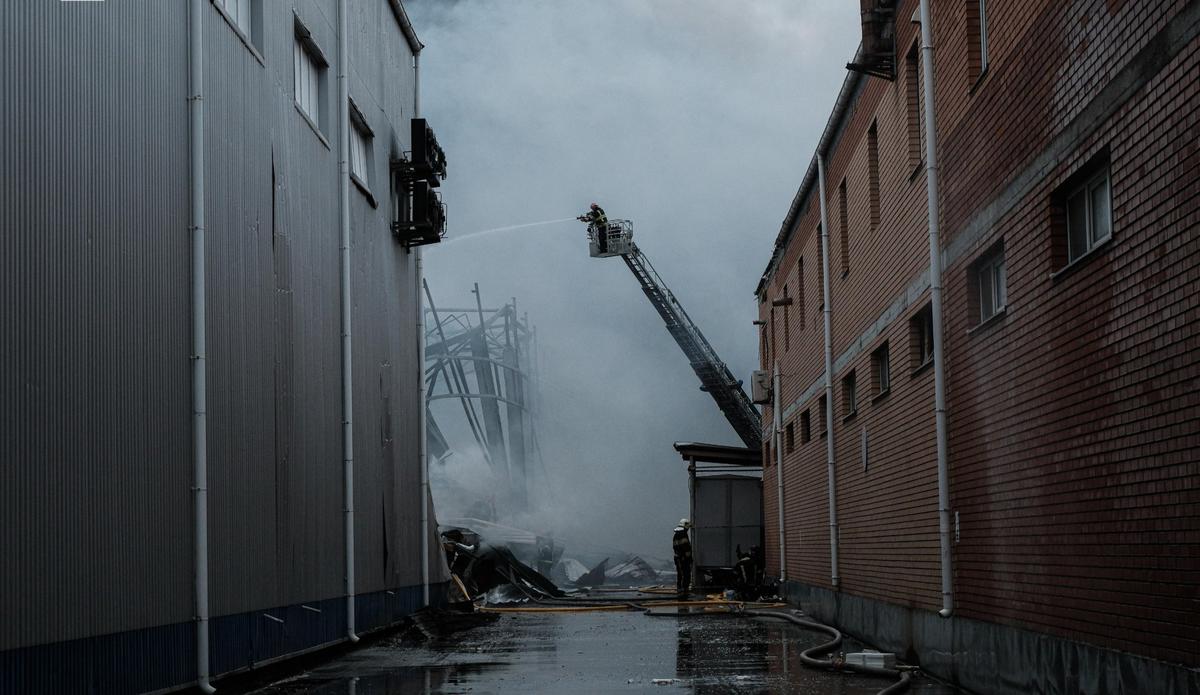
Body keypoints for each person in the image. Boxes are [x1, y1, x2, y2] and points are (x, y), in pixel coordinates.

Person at [672, 518, 693, 597]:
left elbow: (675, 547)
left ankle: (681, 590)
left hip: (678, 558)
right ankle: (684, 592)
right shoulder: (683, 534)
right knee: (685, 575)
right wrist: (689, 558)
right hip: (683, 559)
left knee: (680, 575)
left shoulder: (676, 534)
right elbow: (686, 548)